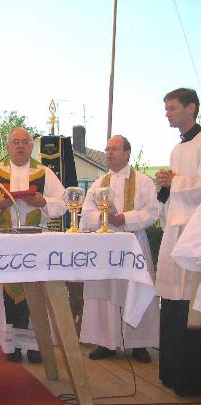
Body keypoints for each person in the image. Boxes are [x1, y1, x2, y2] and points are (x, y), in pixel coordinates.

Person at [0, 127, 66, 363]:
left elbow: (64, 202)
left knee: (36, 292)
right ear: (7, 146)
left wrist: (42, 201)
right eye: (16, 141)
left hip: (35, 242)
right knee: (9, 294)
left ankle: (36, 346)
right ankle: (12, 346)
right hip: (4, 241)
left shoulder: (44, 173)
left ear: (31, 146)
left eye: (25, 141)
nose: (21, 145)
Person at [79, 135, 159, 363]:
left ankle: (139, 343)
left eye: (114, 149)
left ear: (127, 153)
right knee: (105, 290)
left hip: (132, 243)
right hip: (105, 246)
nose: (109, 153)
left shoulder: (143, 182)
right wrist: (104, 218)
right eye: (107, 149)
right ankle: (106, 341)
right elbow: (86, 213)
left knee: (135, 287)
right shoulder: (99, 183)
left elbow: (152, 212)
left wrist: (125, 218)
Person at [155, 88, 201, 396]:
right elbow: (175, 190)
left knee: (189, 303)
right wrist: (164, 187)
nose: (167, 113)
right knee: (171, 301)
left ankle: (190, 378)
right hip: (174, 228)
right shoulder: (176, 148)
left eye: (172, 108)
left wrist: (177, 182)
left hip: (195, 232)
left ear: (192, 108)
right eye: (166, 108)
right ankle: (171, 372)